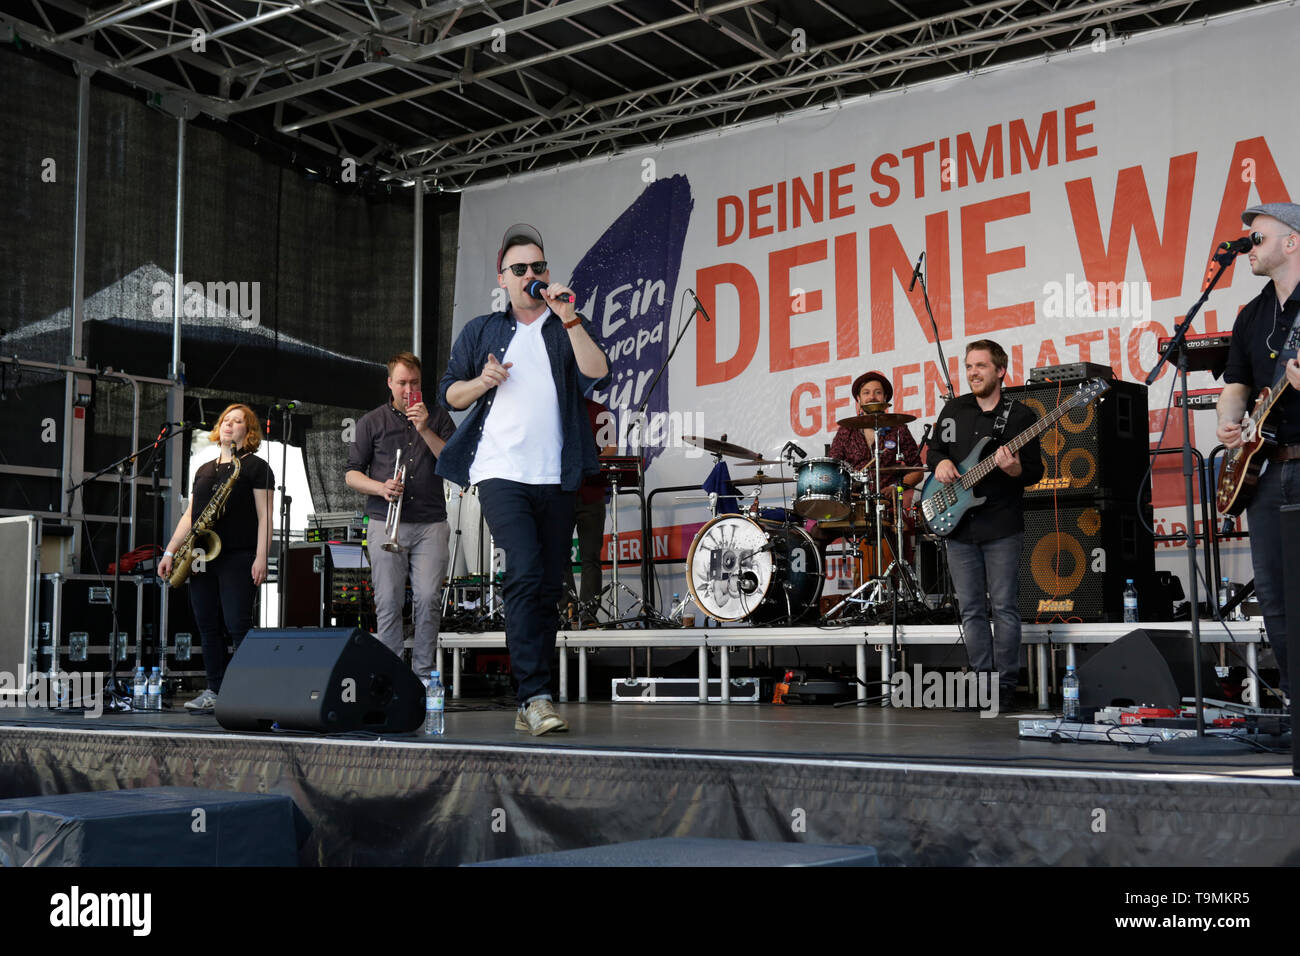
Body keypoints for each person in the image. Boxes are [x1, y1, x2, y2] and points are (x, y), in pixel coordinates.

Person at [437, 223, 612, 735]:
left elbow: (597, 371)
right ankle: (534, 695)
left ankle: (530, 699)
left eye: (538, 267)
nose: (531, 275)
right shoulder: (482, 331)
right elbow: (450, 394)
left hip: (556, 475)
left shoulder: (563, 327)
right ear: (503, 279)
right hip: (499, 472)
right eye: (520, 269)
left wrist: (571, 316)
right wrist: (481, 380)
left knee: (547, 586)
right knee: (527, 571)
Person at [925, 340, 1044, 707]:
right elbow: (934, 450)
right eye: (969, 366)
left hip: (1001, 524)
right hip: (959, 525)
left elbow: (1035, 471)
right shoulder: (954, 409)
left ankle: (1005, 686)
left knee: (1005, 607)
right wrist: (938, 464)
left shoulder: (1021, 416)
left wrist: (1014, 468)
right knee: (972, 609)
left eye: (980, 366)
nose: (973, 372)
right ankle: (982, 684)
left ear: (1000, 371)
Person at [1216, 201, 1300, 702]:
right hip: (1268, 469)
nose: (1249, 246)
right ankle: (1294, 704)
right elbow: (1236, 384)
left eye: (1259, 237)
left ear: (1292, 242)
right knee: (1274, 596)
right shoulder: (1253, 314)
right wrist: (1229, 419)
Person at [346, 351, 456, 683]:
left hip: (430, 523)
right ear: (390, 383)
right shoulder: (371, 422)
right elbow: (351, 474)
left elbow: (452, 463)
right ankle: (390, 677)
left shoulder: (437, 418)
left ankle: (423, 677)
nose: (409, 389)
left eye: (415, 383)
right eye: (403, 383)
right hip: (384, 521)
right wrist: (381, 487)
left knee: (428, 598)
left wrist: (424, 429)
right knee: (388, 601)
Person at [157, 404, 274, 711]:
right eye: (226, 420)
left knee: (238, 623)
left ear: (248, 433)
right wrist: (170, 550)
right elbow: (190, 516)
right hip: (200, 554)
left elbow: (266, 516)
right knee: (207, 624)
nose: (228, 425)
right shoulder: (204, 469)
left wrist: (262, 556)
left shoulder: (255, 467)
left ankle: (251, 690)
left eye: (237, 422)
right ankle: (215, 689)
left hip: (238, 554)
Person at [564, 397, 612, 626]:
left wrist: (590, 463)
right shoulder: (556, 408)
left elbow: (611, 448)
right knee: (558, 556)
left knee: (590, 556)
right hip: (561, 493)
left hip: (591, 492)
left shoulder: (599, 411)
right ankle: (567, 611)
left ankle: (588, 615)